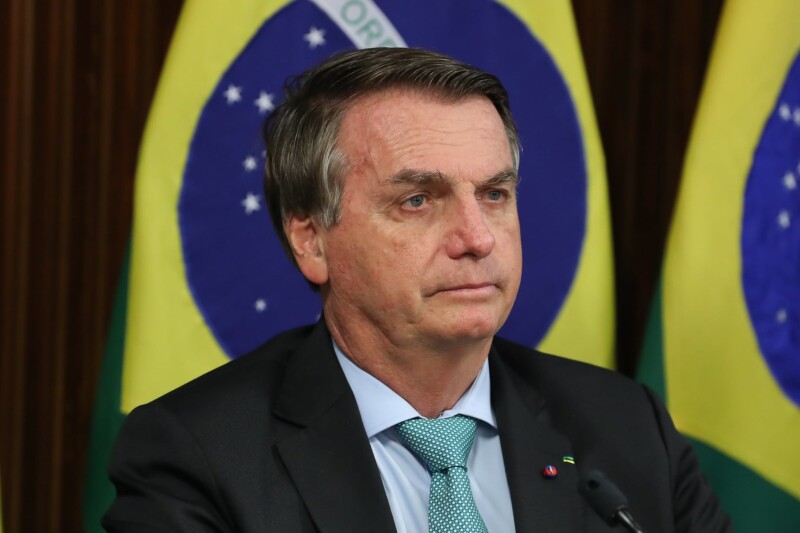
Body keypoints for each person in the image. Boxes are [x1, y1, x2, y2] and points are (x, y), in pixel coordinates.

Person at [103, 48, 731, 532]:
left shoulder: (626, 429)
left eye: (495, 194)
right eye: (418, 200)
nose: (476, 238)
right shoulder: (198, 456)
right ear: (312, 240)